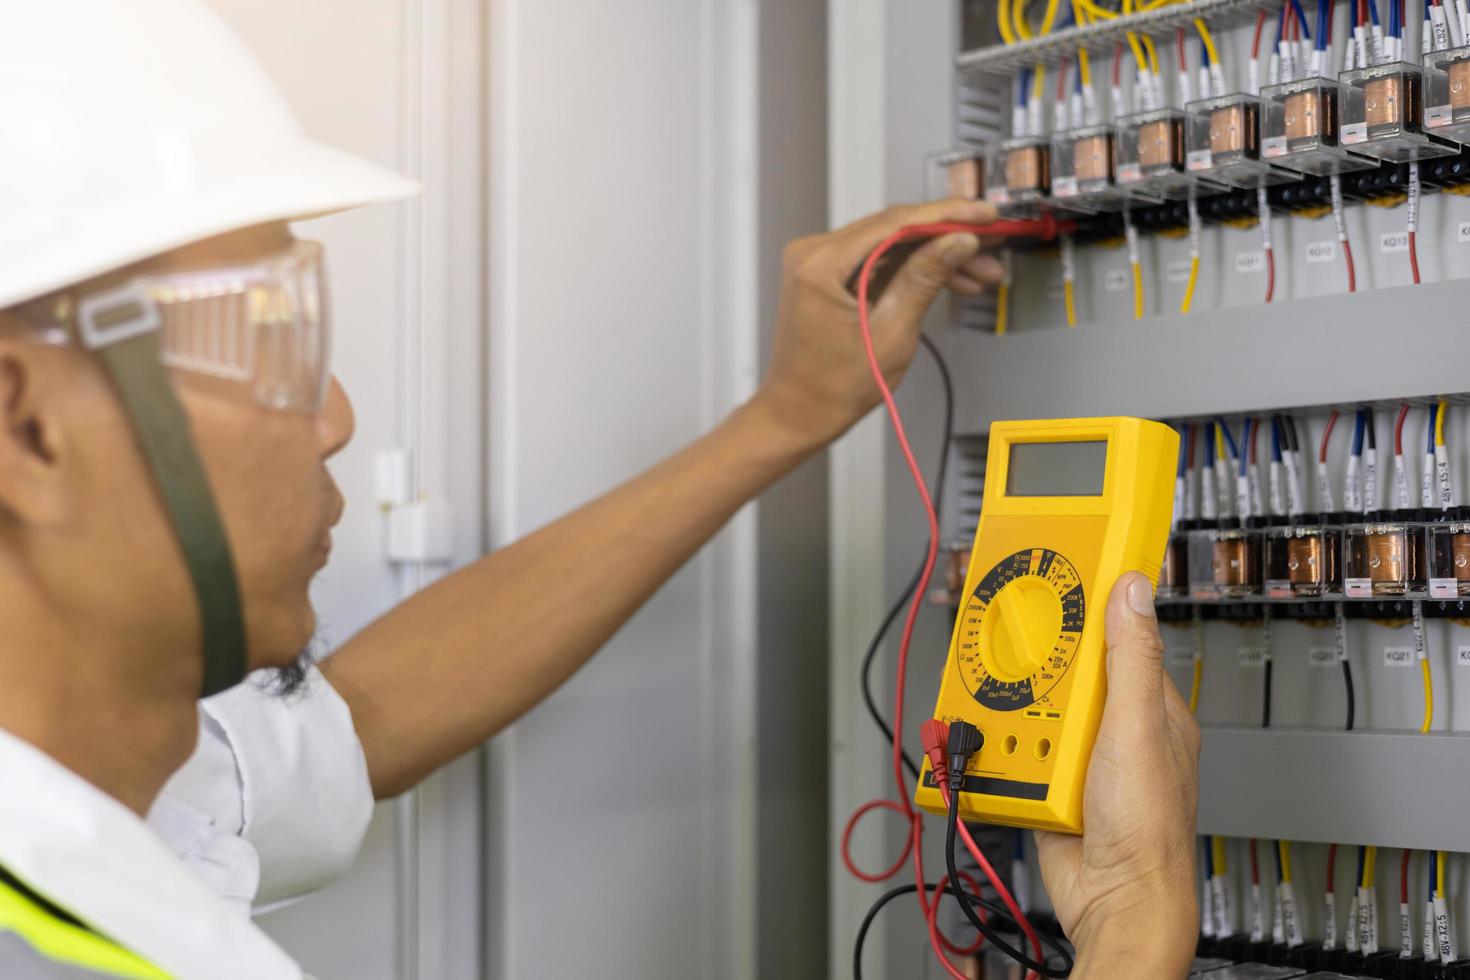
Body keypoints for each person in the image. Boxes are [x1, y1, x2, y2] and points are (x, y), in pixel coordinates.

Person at [0, 1, 1199, 977]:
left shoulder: (101, 773)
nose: (335, 415)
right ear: (26, 421)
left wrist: (777, 421)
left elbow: (360, 721)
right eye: (270, 332)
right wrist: (1136, 924)